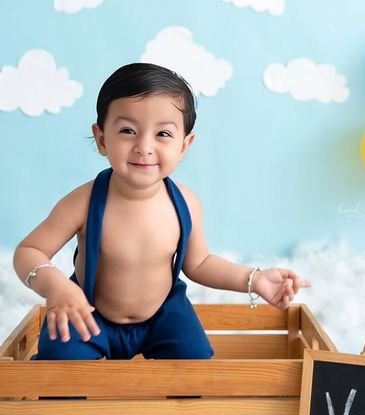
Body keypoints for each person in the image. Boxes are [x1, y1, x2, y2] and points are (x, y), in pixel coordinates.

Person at [13, 62, 311, 361]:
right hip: (88, 312)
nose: (144, 146)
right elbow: (29, 250)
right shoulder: (83, 202)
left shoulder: (184, 202)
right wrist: (56, 287)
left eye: (163, 134)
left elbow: (200, 263)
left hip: (162, 316)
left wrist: (254, 279)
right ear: (102, 138)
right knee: (57, 368)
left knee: (196, 365)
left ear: (184, 145)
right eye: (128, 130)